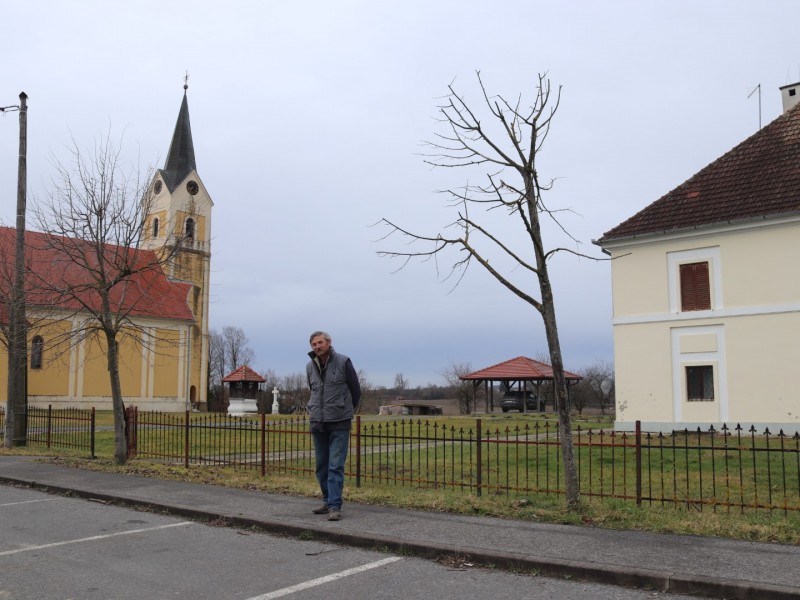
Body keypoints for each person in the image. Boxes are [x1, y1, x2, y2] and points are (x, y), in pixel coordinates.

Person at [305, 331, 361, 521]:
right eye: (314, 344)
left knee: (335, 465)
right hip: (318, 422)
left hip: (339, 422)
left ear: (329, 343)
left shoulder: (343, 362)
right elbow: (313, 391)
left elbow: (355, 390)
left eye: (320, 342)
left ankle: (335, 506)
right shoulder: (309, 366)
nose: (317, 347)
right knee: (321, 466)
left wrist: (344, 410)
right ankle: (327, 500)